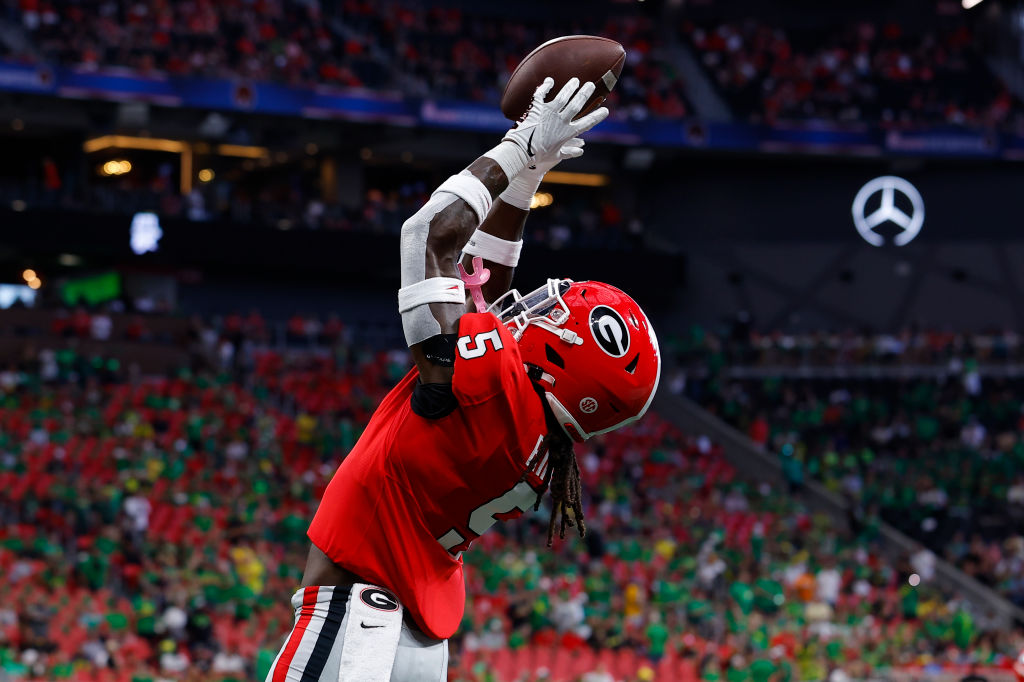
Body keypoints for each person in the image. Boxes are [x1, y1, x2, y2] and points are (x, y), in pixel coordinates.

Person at [265, 77, 661, 681]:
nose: (536, 306)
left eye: (556, 315)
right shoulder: (531, 434)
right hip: (414, 645)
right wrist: (527, 184)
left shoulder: (491, 390)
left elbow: (429, 236)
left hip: (357, 628)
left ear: (566, 361)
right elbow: (487, 288)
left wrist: (520, 146)